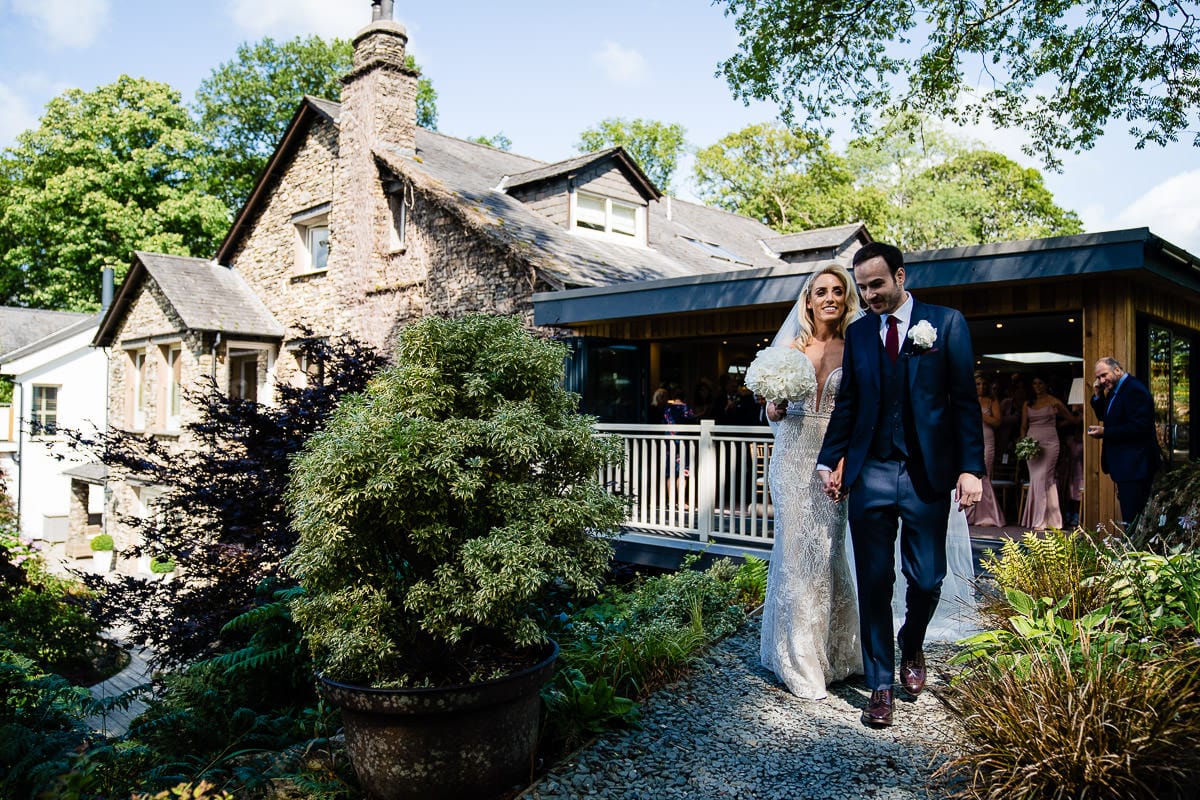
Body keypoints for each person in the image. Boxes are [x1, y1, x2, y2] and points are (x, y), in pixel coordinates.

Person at [817, 241, 984, 728]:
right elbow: (848, 403)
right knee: (873, 580)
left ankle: (913, 642)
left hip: (926, 473)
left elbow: (964, 403)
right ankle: (880, 685)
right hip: (871, 472)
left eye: (876, 285)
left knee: (927, 577)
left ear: (901, 277)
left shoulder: (946, 323)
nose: (868, 295)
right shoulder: (861, 332)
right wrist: (830, 460)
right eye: (862, 287)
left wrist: (970, 468)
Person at [759, 263, 863, 699]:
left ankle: (837, 653)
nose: (830, 298)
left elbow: (859, 410)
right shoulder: (790, 347)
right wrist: (774, 408)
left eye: (837, 290)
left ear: (846, 298)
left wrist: (844, 462)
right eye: (821, 291)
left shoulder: (857, 348)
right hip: (791, 458)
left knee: (828, 552)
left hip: (833, 459)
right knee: (794, 555)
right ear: (809, 299)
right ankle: (798, 661)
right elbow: (770, 410)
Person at [1087, 356, 1161, 526]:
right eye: (1098, 377)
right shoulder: (1115, 390)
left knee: (1134, 517)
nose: (1101, 380)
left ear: (1118, 370)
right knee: (1129, 515)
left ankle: (1136, 551)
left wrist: (1106, 432)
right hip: (1125, 466)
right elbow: (1104, 415)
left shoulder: (1134, 390)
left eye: (1104, 375)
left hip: (1136, 465)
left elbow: (1139, 427)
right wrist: (1098, 395)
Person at [1019, 376, 1077, 530]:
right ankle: (1048, 519)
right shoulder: (1028, 403)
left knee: (1044, 477)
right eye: (1035, 383)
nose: (1037, 386)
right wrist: (1024, 443)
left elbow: (1072, 419)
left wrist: (1055, 424)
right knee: (1038, 479)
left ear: (1046, 384)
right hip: (1032, 443)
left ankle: (1041, 520)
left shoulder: (1054, 402)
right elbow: (1023, 425)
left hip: (1050, 442)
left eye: (1040, 383)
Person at [967, 372, 1005, 527]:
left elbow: (997, 422)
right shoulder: (967, 399)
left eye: (983, 384)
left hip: (987, 439)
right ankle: (970, 514)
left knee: (983, 475)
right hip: (970, 438)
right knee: (970, 474)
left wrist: (980, 415)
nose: (981, 387)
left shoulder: (992, 401)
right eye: (977, 384)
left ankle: (988, 515)